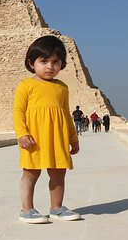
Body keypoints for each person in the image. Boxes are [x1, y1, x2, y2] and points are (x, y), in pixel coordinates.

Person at [13, 35, 81, 224]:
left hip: (57, 139)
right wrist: (22, 134)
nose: (50, 66)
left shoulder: (62, 88)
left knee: (59, 173)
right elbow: (18, 112)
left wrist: (73, 138)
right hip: (34, 139)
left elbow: (66, 115)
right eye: (44, 61)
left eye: (56, 62)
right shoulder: (26, 85)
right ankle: (27, 210)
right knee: (30, 174)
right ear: (31, 63)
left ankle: (57, 208)